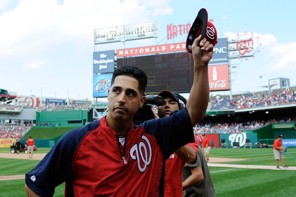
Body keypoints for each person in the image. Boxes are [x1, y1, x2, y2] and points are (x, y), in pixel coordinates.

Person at [25, 35, 213, 196]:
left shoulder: (155, 135)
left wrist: (200, 65)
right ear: (108, 94)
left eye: (130, 93)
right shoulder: (76, 140)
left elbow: (195, 111)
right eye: (116, 91)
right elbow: (35, 184)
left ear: (141, 101)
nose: (121, 99)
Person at [157, 91, 199, 197]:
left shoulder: (185, 134)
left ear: (180, 107)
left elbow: (191, 156)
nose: (166, 105)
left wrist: (166, 132)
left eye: (172, 102)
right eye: (162, 103)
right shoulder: (148, 130)